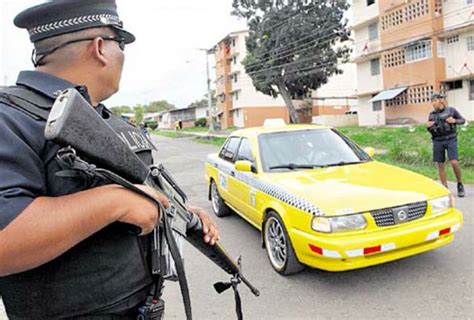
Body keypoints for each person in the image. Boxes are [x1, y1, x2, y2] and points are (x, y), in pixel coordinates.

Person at [0, 1, 219, 319]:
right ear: (100, 47)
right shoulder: (11, 117)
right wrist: (116, 201)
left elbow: (142, 196)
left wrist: (176, 213)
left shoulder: (108, 121)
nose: (124, 57)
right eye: (122, 44)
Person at [427, 93, 466, 197]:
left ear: (440, 100)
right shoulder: (431, 115)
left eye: (435, 100)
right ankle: (445, 188)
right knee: (440, 164)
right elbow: (430, 130)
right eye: (431, 101)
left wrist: (454, 120)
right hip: (437, 140)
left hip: (451, 139)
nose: (433, 103)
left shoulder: (451, 111)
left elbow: (463, 120)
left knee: (454, 162)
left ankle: (459, 183)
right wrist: (428, 127)